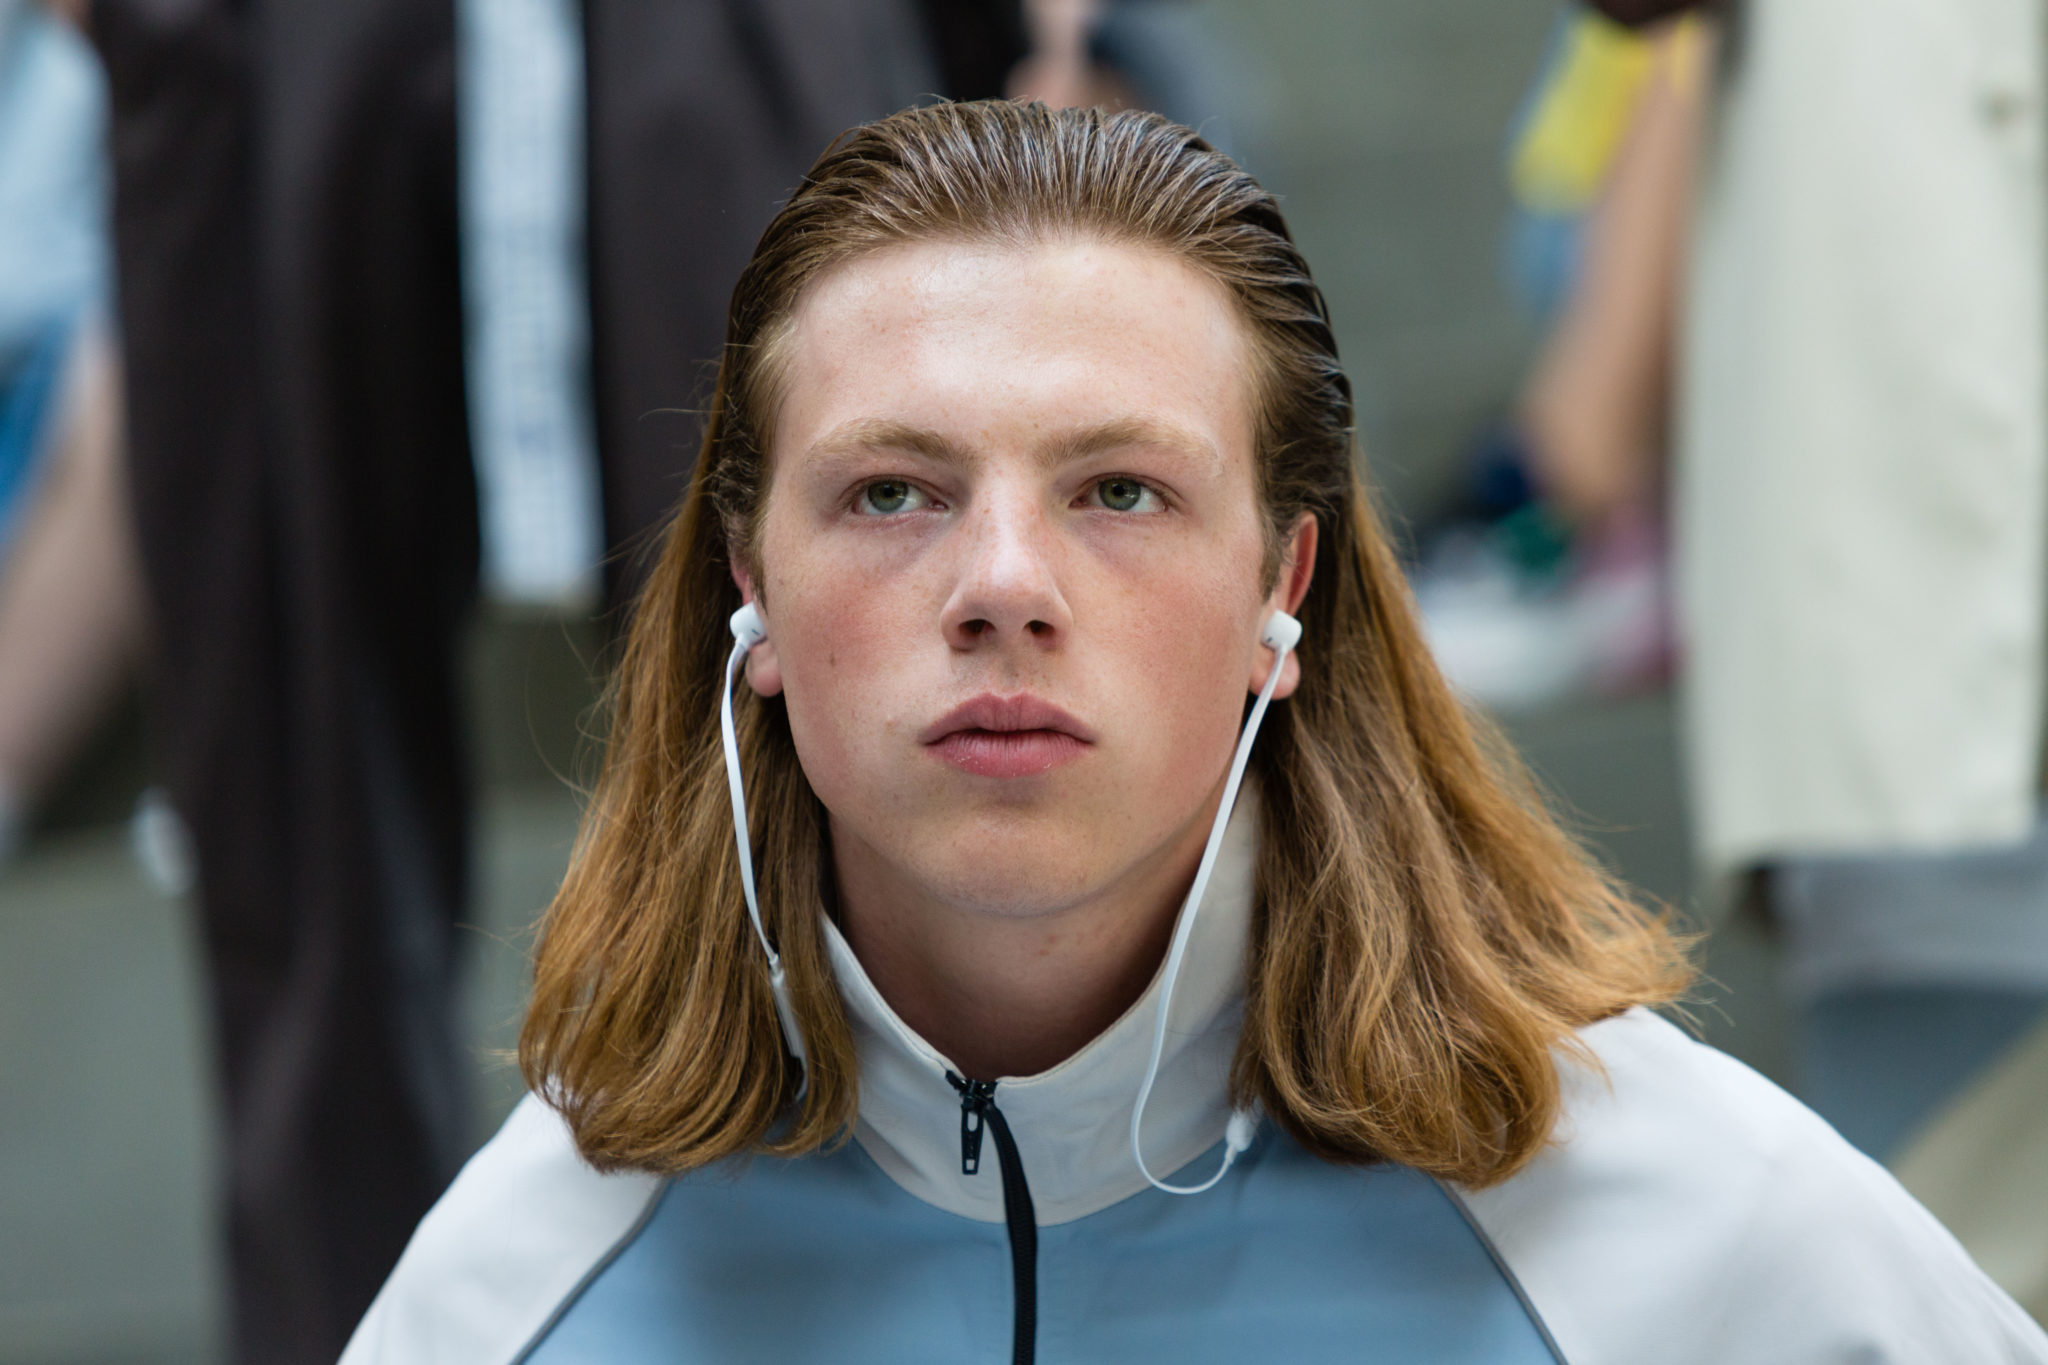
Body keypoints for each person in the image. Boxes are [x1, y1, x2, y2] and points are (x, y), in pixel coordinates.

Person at [341, 102, 2043, 1362]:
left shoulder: (1681, 1227)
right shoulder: (523, 1282)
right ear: (751, 588)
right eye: (893, 491)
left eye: (1120, 489)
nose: (1004, 586)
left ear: (1280, 591)